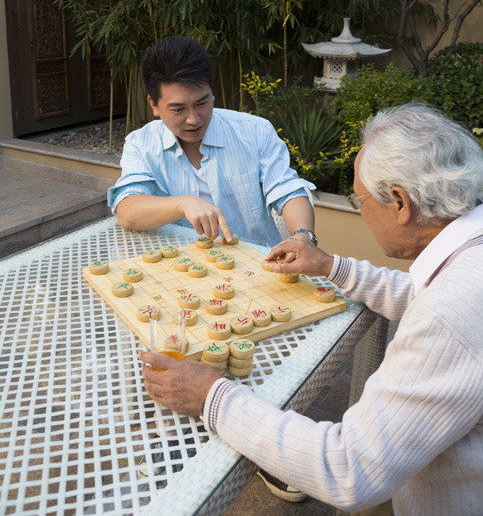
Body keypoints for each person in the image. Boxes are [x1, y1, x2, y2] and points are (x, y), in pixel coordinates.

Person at [139, 103, 483, 515]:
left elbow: (349, 470)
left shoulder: (451, 314)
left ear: (399, 202)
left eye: (359, 203)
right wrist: (331, 266)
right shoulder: (465, 266)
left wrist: (210, 396)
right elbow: (426, 297)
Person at [108, 36, 316, 247]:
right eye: (178, 109)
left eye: (202, 102)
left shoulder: (255, 132)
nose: (193, 119)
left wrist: (302, 235)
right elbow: (128, 212)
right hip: (182, 270)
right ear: (153, 104)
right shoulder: (141, 144)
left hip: (258, 265)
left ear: (212, 93)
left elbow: (288, 191)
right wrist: (183, 203)